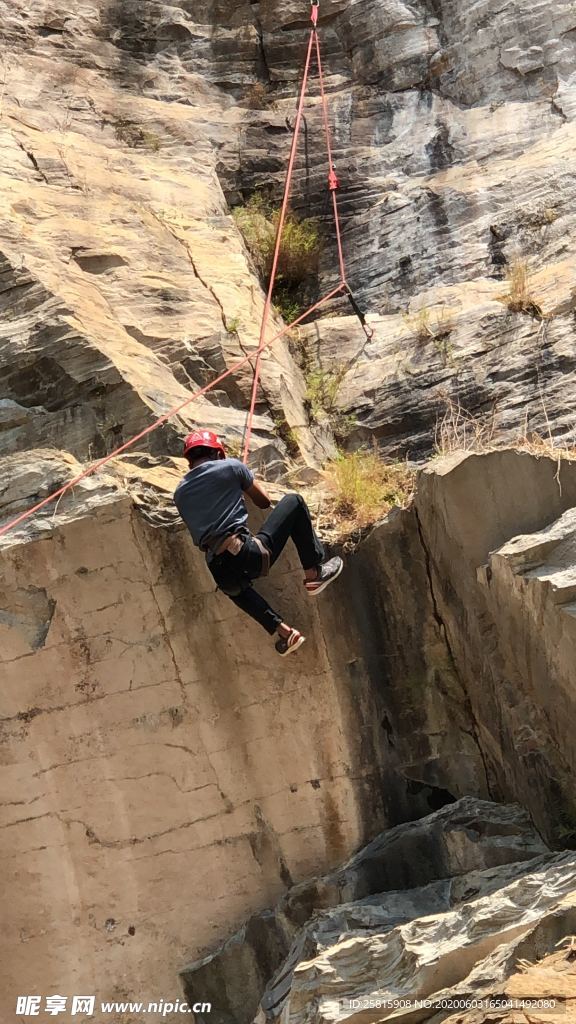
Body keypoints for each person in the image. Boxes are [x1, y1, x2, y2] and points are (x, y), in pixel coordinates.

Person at [173, 430, 343, 656]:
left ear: (189, 459)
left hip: (217, 566)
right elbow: (263, 502)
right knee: (294, 501)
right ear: (218, 453)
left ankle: (285, 633)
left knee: (237, 590)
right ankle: (314, 574)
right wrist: (241, 480)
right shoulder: (231, 467)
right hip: (244, 553)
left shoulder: (179, 493)